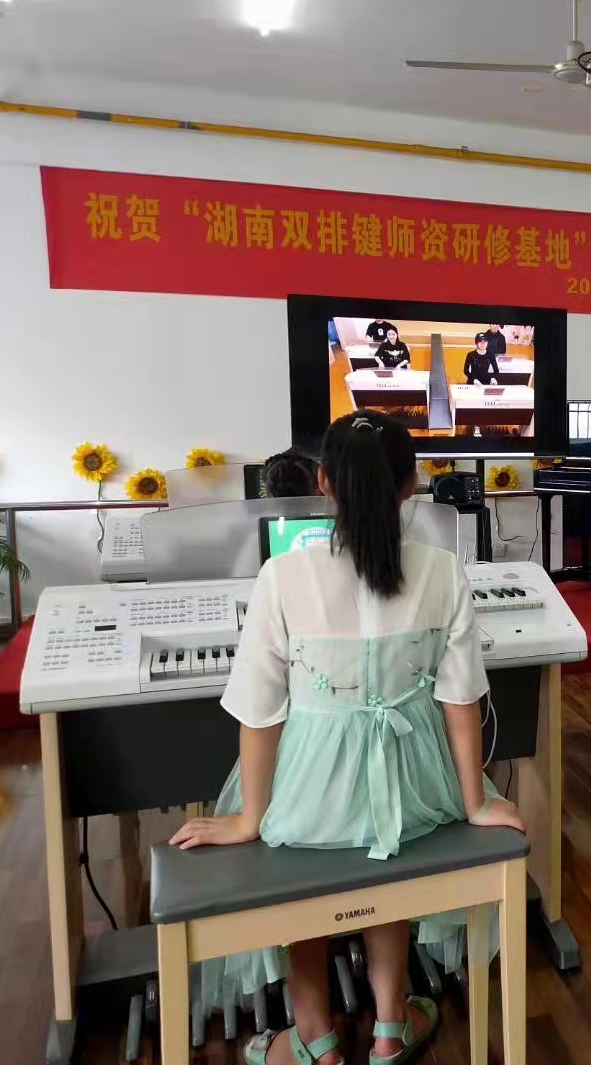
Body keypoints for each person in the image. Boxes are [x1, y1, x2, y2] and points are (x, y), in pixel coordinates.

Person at [170, 411, 524, 1065]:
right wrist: (473, 801)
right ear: (411, 485)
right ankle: (390, 1027)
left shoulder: (284, 575)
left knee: (299, 858)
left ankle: (315, 1039)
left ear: (324, 483)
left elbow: (259, 712)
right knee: (384, 848)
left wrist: (250, 818)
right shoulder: (443, 571)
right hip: (416, 787)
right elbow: (460, 699)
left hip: (312, 794)